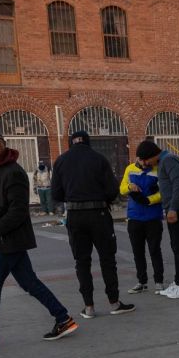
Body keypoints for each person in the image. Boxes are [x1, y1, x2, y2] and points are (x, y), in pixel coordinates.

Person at [0, 127, 78, 352]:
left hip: (7, 240)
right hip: (2, 238)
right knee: (29, 282)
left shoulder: (13, 172)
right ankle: (63, 318)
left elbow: (18, 210)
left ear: (3, 143)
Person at [51, 130, 135, 318]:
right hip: (98, 213)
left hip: (74, 215)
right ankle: (114, 302)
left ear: (70, 143)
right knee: (107, 259)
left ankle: (89, 306)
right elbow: (113, 190)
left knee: (82, 261)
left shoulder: (61, 161)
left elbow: (55, 194)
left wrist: (73, 197)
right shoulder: (99, 159)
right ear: (88, 142)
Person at [135, 140, 179, 299]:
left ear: (150, 155)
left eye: (146, 159)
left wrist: (173, 208)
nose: (146, 163)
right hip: (175, 208)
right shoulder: (163, 161)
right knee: (176, 246)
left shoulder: (168, 160)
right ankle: (178, 282)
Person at [119, 154, 165, 293]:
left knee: (155, 250)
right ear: (137, 158)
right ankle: (142, 281)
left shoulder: (158, 170)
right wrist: (129, 186)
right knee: (137, 252)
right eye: (142, 160)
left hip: (153, 217)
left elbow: (164, 192)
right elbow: (121, 189)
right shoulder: (130, 169)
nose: (145, 163)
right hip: (135, 217)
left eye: (147, 160)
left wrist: (150, 200)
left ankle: (159, 282)